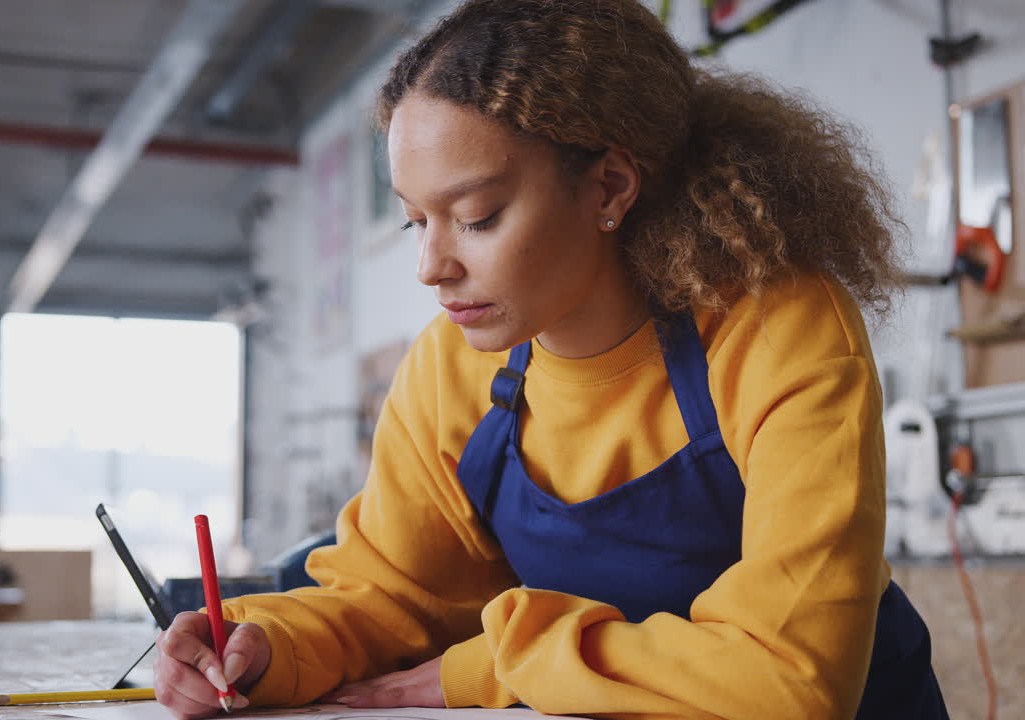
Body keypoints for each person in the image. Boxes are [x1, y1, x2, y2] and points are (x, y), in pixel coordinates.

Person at [153, 1, 949, 718]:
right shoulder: (451, 369)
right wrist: (268, 649)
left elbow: (791, 680)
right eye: (413, 222)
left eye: (477, 217)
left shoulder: (774, 326)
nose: (432, 266)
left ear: (608, 187)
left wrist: (504, 659)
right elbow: (387, 599)